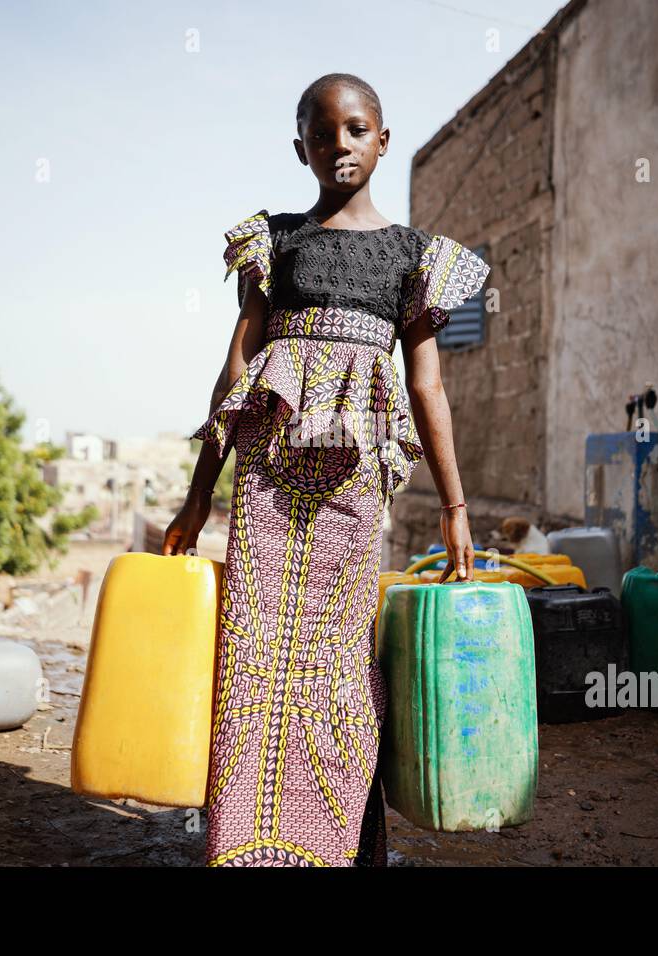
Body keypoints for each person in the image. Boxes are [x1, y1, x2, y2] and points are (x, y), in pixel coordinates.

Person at [163, 72, 490, 867]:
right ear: (300, 144)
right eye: (322, 130)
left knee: (337, 664)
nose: (338, 144)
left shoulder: (416, 257)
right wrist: (198, 495)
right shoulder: (274, 242)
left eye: (355, 129)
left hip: (352, 491)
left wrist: (455, 509)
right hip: (268, 479)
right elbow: (236, 370)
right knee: (252, 658)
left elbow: (427, 385)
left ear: (383, 139)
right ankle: (244, 847)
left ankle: (340, 845)